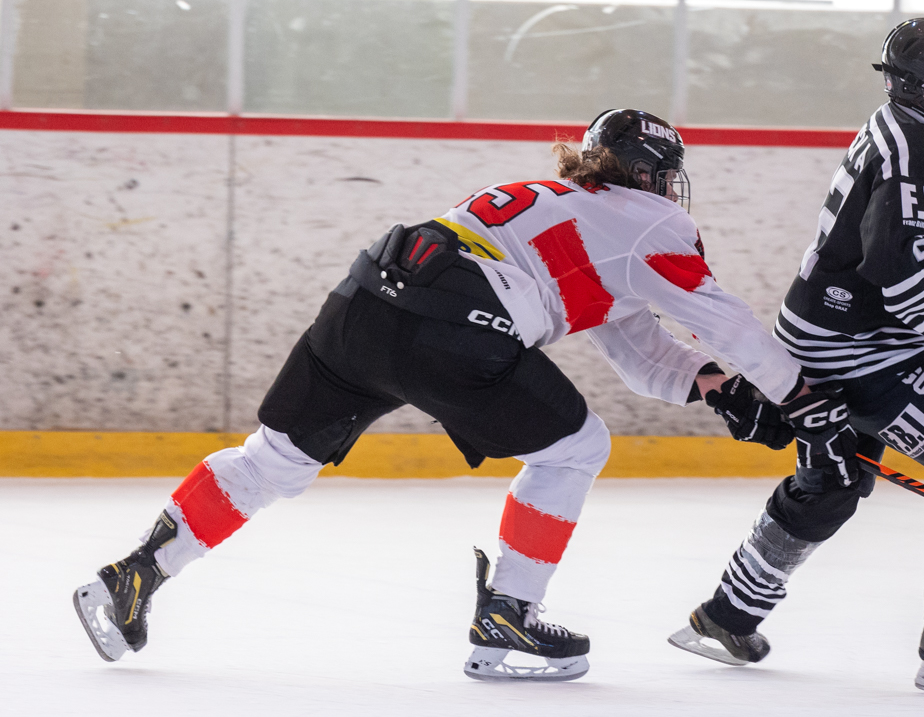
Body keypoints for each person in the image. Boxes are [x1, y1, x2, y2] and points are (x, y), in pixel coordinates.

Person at [72, 108, 846, 683]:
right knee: (576, 448)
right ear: (650, 175)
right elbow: (729, 322)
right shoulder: (654, 222)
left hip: (365, 299)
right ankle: (509, 617)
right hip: (453, 321)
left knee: (269, 460)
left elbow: (641, 350)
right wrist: (798, 396)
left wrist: (717, 386)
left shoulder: (560, 203)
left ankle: (132, 577)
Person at [668, 19, 924, 696]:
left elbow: (916, 228)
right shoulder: (922, 147)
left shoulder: (911, 129)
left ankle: (728, 615)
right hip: (861, 349)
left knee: (833, 481)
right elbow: (903, 281)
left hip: (817, 337)